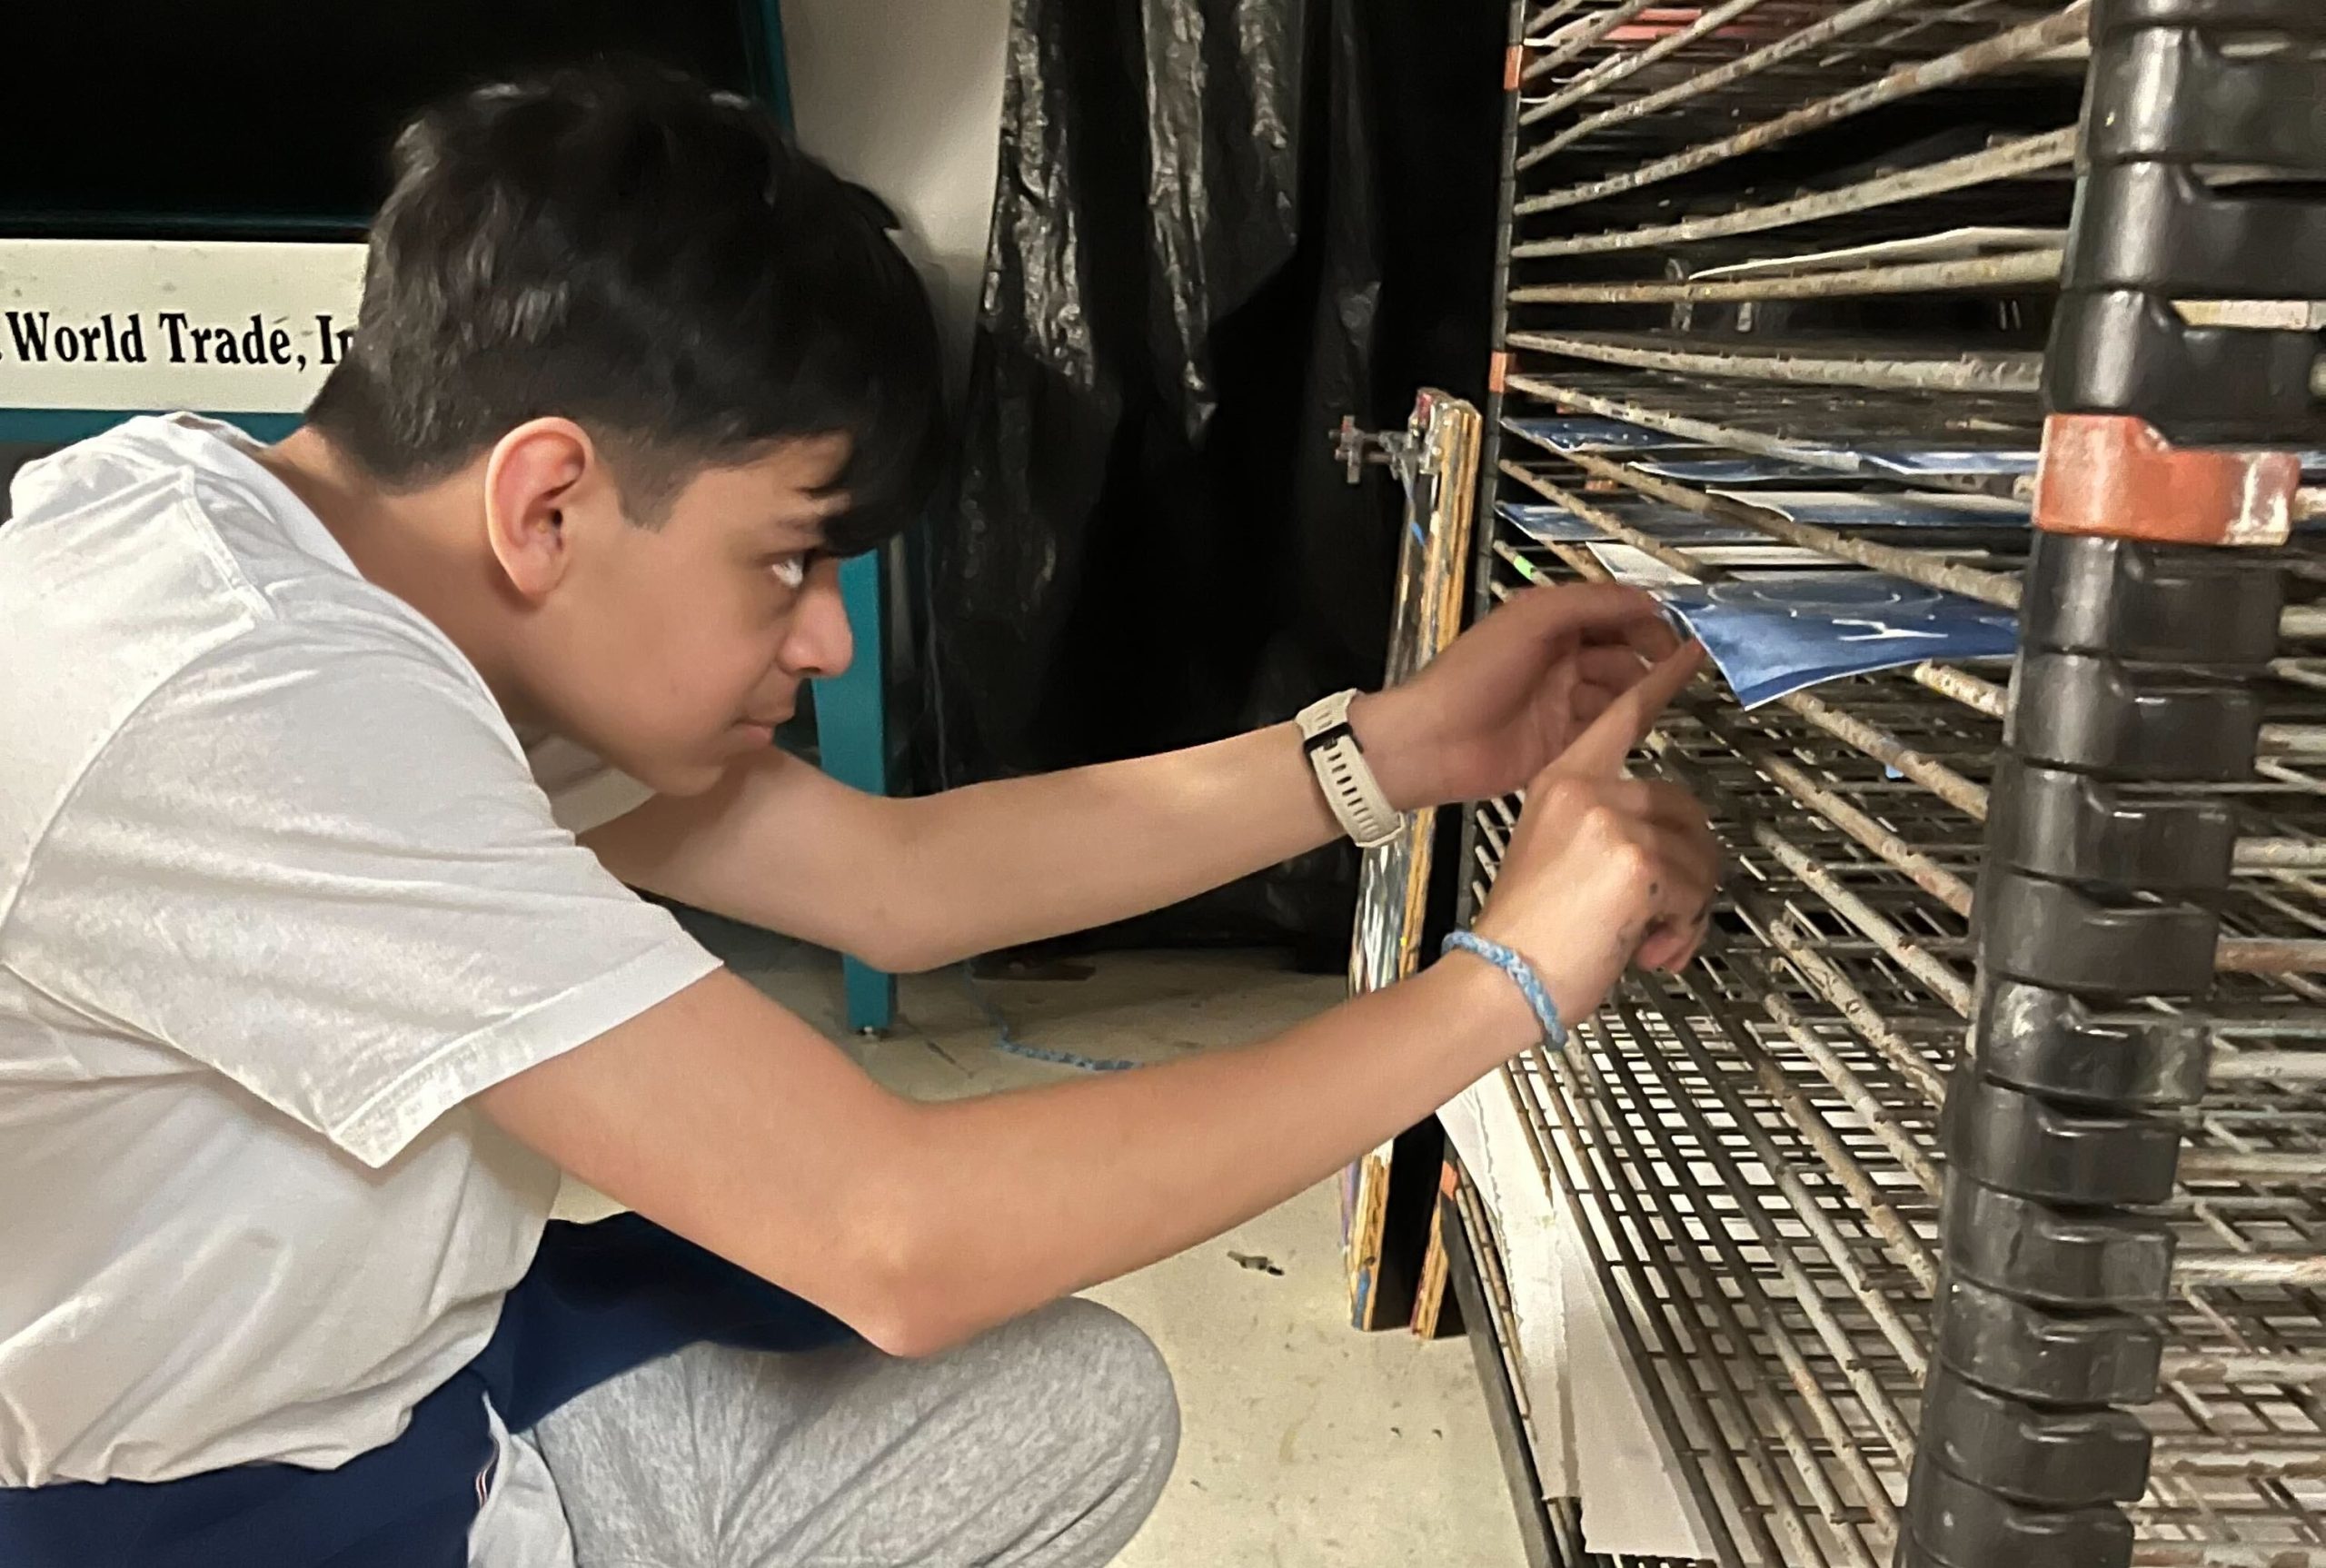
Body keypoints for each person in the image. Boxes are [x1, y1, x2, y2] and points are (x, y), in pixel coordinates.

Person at [0, 63, 1718, 1568]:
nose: (825, 638)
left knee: (1065, 1407)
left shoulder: (350, 573)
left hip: (417, 1380)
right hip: (200, 1511)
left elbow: (897, 880)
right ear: (549, 503)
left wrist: (1394, 749)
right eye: (786, 559)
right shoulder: (249, 711)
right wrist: (1504, 981)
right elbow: (894, 1235)